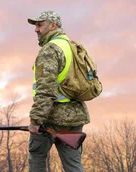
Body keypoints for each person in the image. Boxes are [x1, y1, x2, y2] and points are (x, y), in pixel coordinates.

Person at [26, 10, 91, 172]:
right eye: (36, 26)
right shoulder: (72, 47)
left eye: (40, 25)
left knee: (37, 158)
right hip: (76, 116)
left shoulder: (50, 49)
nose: (36, 29)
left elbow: (46, 90)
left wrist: (35, 121)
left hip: (50, 118)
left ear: (53, 25)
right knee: (73, 165)